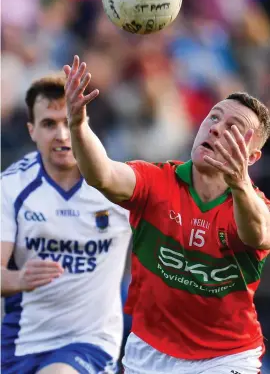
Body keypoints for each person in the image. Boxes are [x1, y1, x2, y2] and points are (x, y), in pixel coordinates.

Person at [63, 55, 270, 374]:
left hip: (227, 356)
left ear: (253, 156)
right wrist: (77, 125)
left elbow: (257, 234)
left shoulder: (253, 205)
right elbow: (102, 174)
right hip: (150, 352)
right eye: (213, 118)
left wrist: (240, 183)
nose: (216, 129)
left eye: (233, 128)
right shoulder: (157, 181)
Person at [1, 74, 131, 374]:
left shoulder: (117, 187)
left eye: (69, 120)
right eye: (49, 124)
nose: (61, 134)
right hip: (21, 345)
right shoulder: (10, 187)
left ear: (83, 122)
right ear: (32, 130)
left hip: (91, 344)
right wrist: (19, 279)